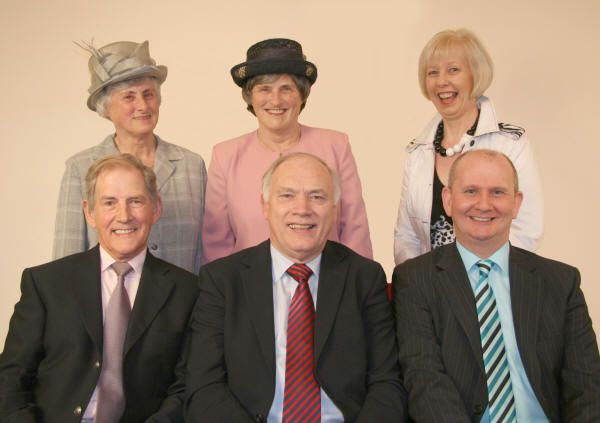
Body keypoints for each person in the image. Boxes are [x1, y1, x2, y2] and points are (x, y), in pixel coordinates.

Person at [186, 152, 406, 422]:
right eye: (287, 195)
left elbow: (387, 384)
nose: (303, 209)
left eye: (317, 196)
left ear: (335, 210)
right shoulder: (222, 280)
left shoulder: (364, 277)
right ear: (265, 206)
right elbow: (204, 388)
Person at [393, 149, 600, 422]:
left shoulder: (561, 283)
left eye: (498, 193)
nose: (483, 204)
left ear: (517, 203)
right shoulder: (415, 280)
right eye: (470, 191)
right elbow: (426, 385)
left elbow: (587, 389)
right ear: (448, 200)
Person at [0, 154, 198, 423]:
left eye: (135, 201)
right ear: (89, 213)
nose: (124, 216)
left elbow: (187, 386)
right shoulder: (46, 284)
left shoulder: (187, 291)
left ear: (156, 208)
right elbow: (10, 378)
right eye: (109, 203)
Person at [202, 38, 372, 264]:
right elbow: (216, 246)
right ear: (250, 97)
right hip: (248, 292)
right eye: (264, 89)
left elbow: (354, 229)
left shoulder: (336, 146)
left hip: (328, 286)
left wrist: (356, 288)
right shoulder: (225, 156)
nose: (275, 100)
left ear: (301, 95)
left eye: (286, 89)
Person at [53, 40, 206, 274]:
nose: (142, 105)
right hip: (106, 307)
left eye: (148, 94)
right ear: (106, 108)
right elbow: (66, 261)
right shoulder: (80, 168)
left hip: (182, 307)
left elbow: (203, 255)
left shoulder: (191, 166)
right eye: (129, 97)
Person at [393, 28, 543, 265]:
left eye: (453, 69)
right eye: (433, 72)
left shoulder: (511, 144)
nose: (442, 81)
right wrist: (417, 286)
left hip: (492, 287)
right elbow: (406, 237)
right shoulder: (417, 153)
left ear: (476, 74)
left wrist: (478, 278)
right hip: (430, 292)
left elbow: (526, 230)